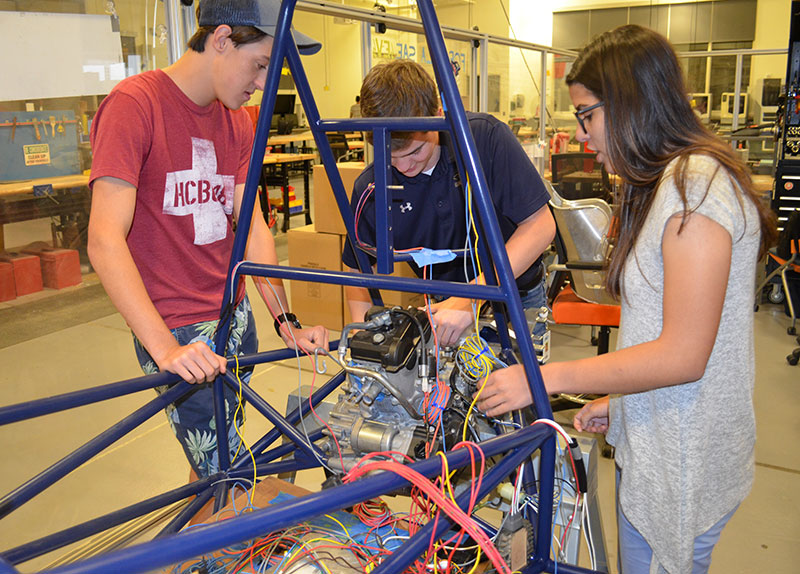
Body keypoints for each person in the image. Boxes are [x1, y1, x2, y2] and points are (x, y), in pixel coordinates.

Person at [477, 25, 776, 574]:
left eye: (587, 114)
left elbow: (685, 354)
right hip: (660, 438)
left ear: (631, 103)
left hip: (684, 463)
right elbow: (665, 327)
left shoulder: (697, 192)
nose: (584, 133)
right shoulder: (667, 184)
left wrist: (547, 378)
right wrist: (623, 405)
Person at [87, 0, 328, 478]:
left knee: (213, 471)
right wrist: (165, 349)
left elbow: (252, 223)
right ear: (221, 39)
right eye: (259, 65)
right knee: (233, 476)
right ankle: (222, 549)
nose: (262, 84)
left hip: (233, 317)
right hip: (178, 328)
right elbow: (103, 240)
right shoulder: (135, 107)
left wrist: (286, 320)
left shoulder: (238, 121)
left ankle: (202, 553)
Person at [342, 60, 556, 348]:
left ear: (438, 113)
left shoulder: (484, 139)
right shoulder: (371, 186)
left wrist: (471, 297)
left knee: (519, 389)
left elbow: (540, 226)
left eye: (416, 151)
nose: (404, 167)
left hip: (516, 295)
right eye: (391, 159)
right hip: (443, 307)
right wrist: (361, 338)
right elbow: (356, 270)